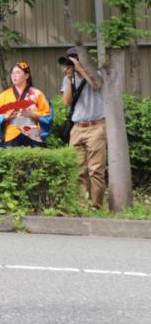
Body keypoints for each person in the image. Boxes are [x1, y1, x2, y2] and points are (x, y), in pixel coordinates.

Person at [61, 47, 106, 209]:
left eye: (76, 59)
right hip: (77, 127)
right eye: (70, 59)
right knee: (78, 169)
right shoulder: (69, 78)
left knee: (96, 171)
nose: (73, 62)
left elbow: (96, 86)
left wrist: (82, 71)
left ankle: (97, 207)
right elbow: (66, 102)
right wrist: (70, 79)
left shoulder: (96, 74)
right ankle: (82, 206)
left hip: (96, 126)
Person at [0, 62, 53, 147]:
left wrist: (35, 115)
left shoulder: (37, 94)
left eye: (18, 73)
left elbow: (47, 114)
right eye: (13, 73)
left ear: (26, 76)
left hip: (32, 133)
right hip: (11, 133)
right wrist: (5, 118)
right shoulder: (3, 96)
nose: (14, 76)